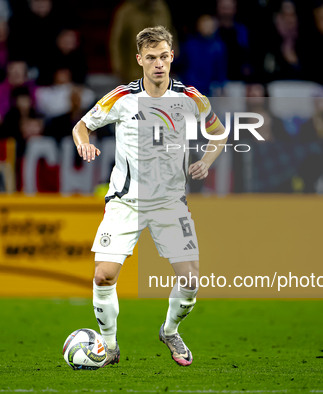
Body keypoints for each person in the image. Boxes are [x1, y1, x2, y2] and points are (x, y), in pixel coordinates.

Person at [71, 26, 227, 367]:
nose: (158, 64)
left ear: (172, 57)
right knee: (103, 276)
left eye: (164, 57)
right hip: (125, 202)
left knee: (190, 281)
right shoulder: (122, 98)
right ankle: (110, 347)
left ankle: (170, 330)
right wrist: (83, 143)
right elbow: (81, 125)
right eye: (151, 58)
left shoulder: (191, 99)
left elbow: (219, 134)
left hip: (170, 203)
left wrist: (206, 160)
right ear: (140, 60)